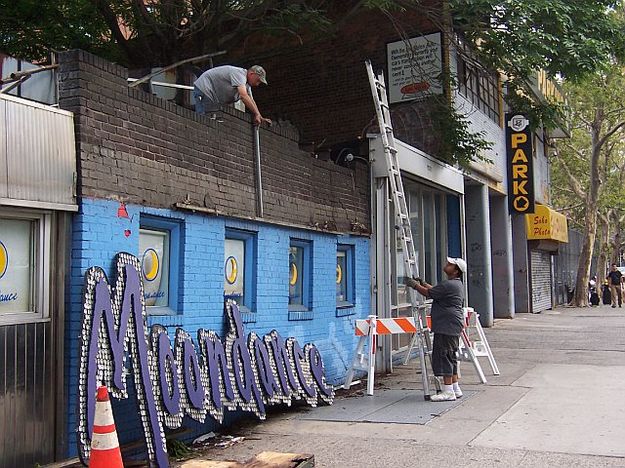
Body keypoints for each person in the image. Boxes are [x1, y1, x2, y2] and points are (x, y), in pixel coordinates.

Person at [405, 257, 467, 402]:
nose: (447, 265)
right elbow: (435, 290)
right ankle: (455, 388)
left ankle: (448, 391)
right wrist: (423, 283)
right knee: (451, 356)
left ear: (456, 271)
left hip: (446, 325)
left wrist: (414, 285)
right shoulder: (454, 285)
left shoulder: (449, 284)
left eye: (450, 264)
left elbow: (429, 293)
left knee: (444, 355)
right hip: (451, 324)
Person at [193, 65, 272, 125]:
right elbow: (244, 96)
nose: (257, 84)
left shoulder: (246, 85)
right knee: (202, 120)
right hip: (204, 88)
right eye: (257, 80)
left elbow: (251, 100)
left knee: (209, 119)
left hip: (212, 96)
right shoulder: (239, 74)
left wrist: (259, 116)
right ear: (251, 74)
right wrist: (257, 114)